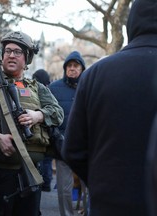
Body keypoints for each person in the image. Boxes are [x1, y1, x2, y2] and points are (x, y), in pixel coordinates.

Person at [62, 0, 157, 215]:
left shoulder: (96, 74)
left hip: (111, 203)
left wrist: (103, 183)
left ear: (131, 23)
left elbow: (73, 149)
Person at [0, 31, 63, 216]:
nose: (11, 55)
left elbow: (58, 113)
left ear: (26, 59)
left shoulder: (37, 88)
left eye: (17, 51)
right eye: (8, 51)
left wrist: (37, 115)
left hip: (32, 175)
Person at [49, 51, 86, 216]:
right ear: (65, 69)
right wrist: (56, 136)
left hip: (86, 145)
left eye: (76, 66)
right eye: (69, 66)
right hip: (62, 144)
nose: (72, 69)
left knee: (88, 186)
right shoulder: (54, 89)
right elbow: (48, 115)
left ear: (81, 69)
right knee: (64, 188)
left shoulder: (89, 86)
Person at [32, 69, 53, 192]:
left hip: (42, 131)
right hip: (48, 132)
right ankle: (46, 183)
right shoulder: (48, 90)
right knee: (47, 161)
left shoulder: (40, 91)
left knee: (44, 160)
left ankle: (44, 182)